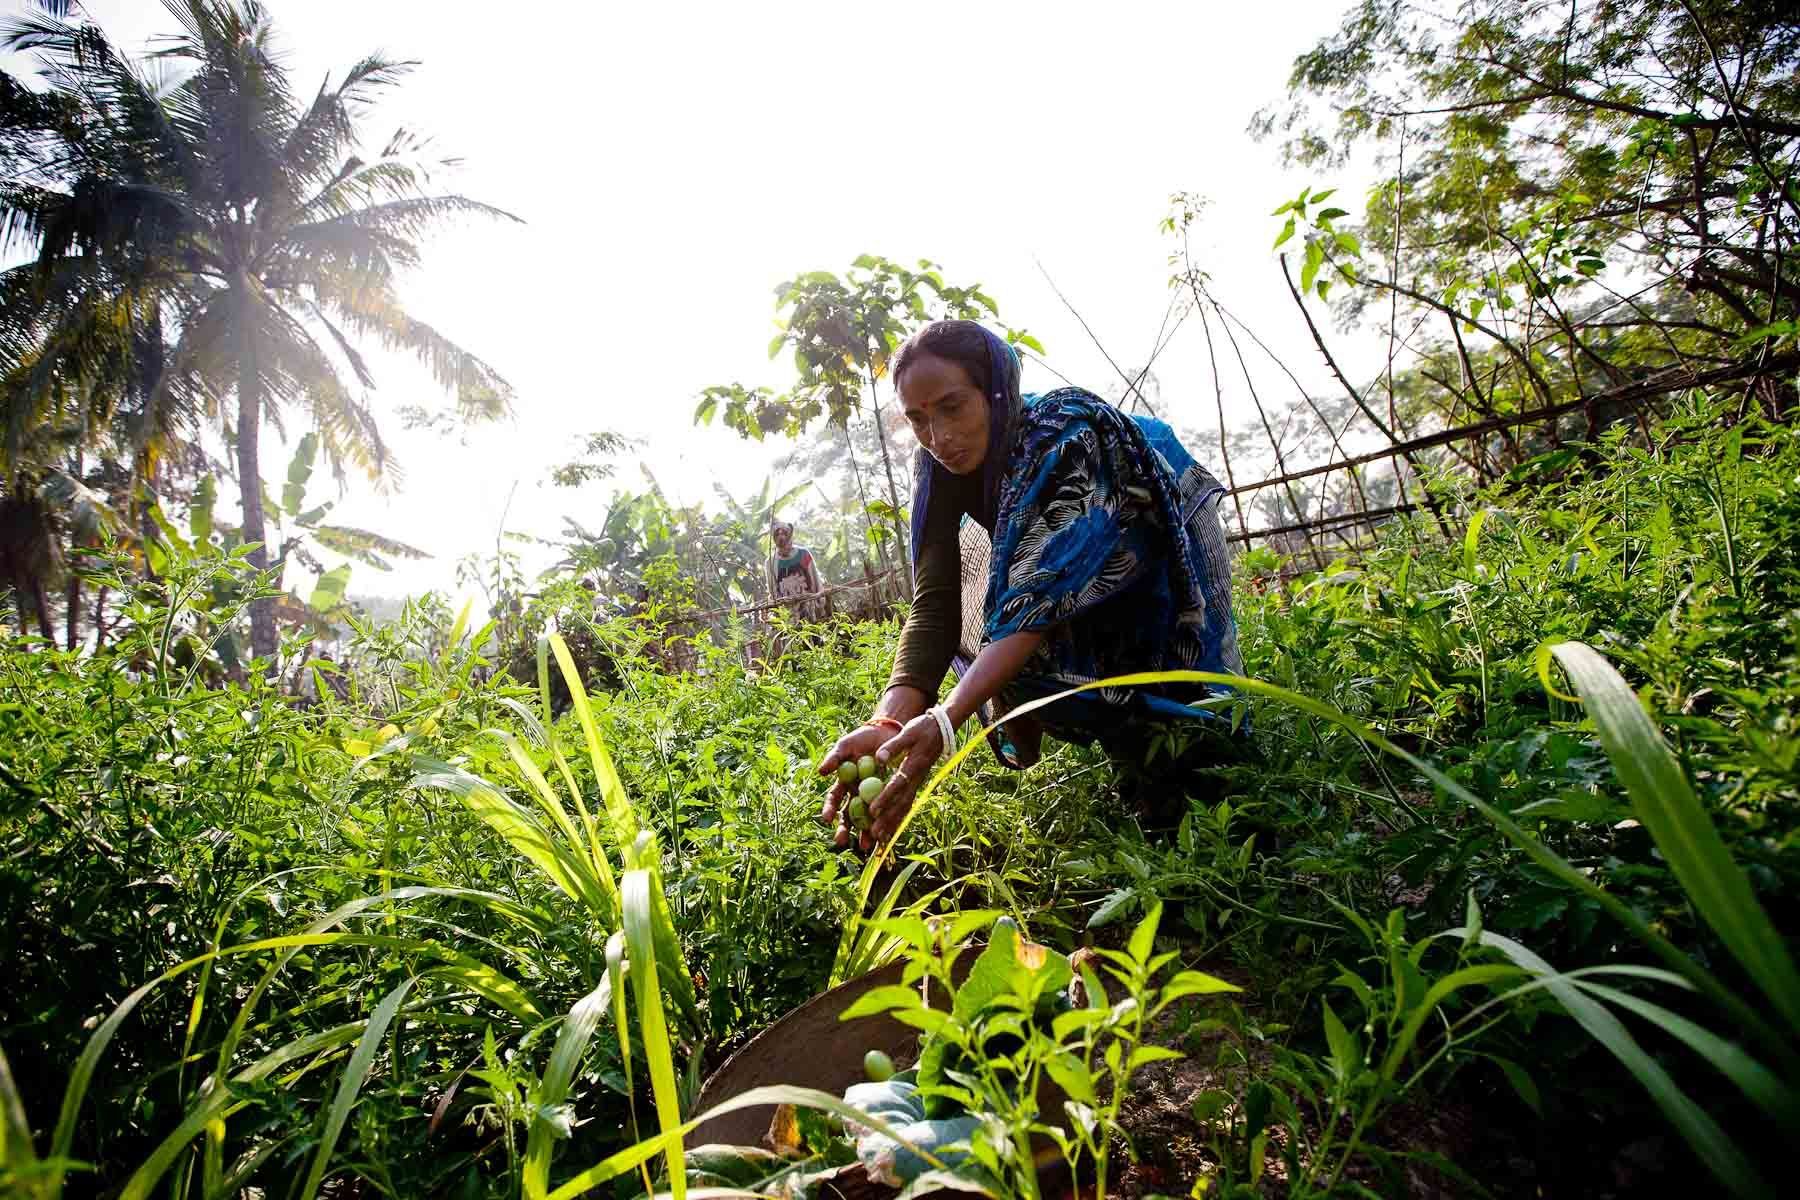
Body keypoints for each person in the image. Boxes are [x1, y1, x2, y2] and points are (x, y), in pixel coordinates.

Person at [818, 320, 1245, 851]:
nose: (939, 436)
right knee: (1037, 658)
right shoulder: (935, 466)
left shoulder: (1067, 438)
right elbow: (935, 603)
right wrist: (888, 725)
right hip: (1054, 575)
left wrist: (946, 720)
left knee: (1178, 674)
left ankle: (1228, 789)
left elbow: (1032, 610)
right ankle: (1140, 772)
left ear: (996, 393)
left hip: (1150, 530)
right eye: (919, 419)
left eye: (953, 407)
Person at [768, 519, 825, 620]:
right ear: (774, 539)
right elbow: (773, 590)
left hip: (809, 608)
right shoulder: (771, 562)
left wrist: (820, 603)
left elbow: (815, 580)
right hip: (788, 614)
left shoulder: (804, 554)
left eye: (784, 533)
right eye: (777, 534)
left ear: (790, 536)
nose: (781, 537)